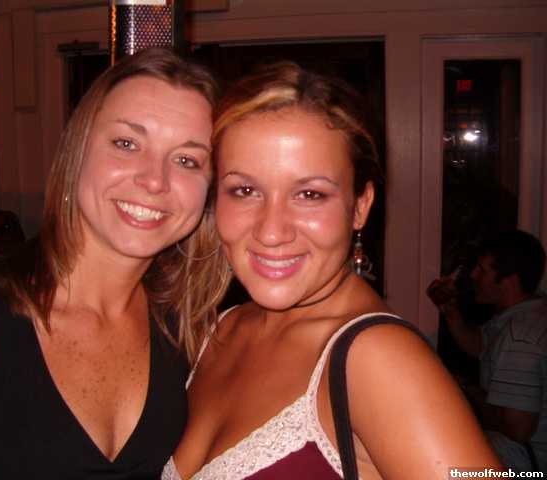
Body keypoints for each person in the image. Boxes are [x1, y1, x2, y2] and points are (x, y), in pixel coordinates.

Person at [162, 62, 501, 480]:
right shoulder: (218, 330)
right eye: (245, 190)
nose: (271, 231)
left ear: (360, 206)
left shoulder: (378, 359)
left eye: (309, 194)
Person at [0, 48, 230, 479]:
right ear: (77, 150)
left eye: (187, 160)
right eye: (126, 143)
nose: (154, 180)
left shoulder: (189, 330)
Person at [428, 229, 547, 473]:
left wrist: (465, 392)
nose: (473, 275)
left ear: (508, 280)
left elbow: (517, 428)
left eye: (482, 270)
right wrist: (451, 312)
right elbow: (483, 347)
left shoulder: (520, 338)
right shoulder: (528, 313)